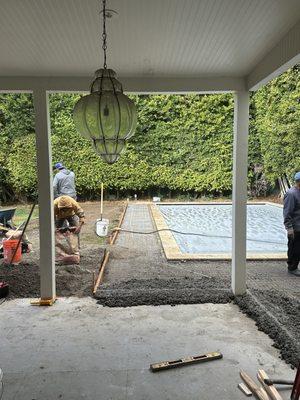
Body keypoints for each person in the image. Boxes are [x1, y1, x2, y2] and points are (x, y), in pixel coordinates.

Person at [283, 171, 300, 276]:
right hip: (295, 228)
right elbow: (287, 213)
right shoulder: (291, 194)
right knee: (295, 249)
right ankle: (292, 268)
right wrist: (289, 229)